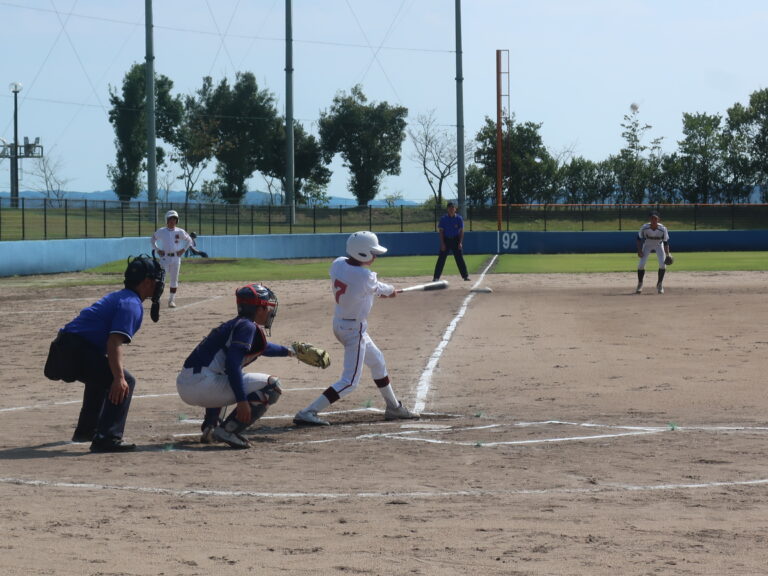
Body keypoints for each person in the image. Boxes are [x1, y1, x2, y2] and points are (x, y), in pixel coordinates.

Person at [293, 231, 419, 426]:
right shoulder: (365, 276)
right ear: (362, 253)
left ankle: (393, 407)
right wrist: (390, 291)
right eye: (372, 252)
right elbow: (376, 287)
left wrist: (381, 291)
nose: (375, 256)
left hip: (340, 323)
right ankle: (308, 411)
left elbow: (367, 288)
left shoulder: (338, 263)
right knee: (350, 381)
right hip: (353, 329)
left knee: (377, 362)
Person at [43, 255, 165, 452]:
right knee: (125, 382)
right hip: (73, 351)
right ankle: (107, 437)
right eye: (156, 281)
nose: (159, 285)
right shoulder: (131, 304)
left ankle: (86, 431)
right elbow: (114, 342)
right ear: (147, 282)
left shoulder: (122, 297)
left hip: (64, 350)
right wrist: (119, 378)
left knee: (102, 375)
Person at [176, 283, 294, 449]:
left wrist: (291, 351)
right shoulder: (246, 326)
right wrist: (242, 401)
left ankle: (211, 425)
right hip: (203, 386)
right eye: (267, 306)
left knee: (222, 375)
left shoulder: (236, 324)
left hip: (187, 384)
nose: (269, 311)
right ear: (259, 308)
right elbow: (233, 365)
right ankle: (228, 430)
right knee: (272, 385)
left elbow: (263, 348)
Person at [151, 209, 193, 308]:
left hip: (176, 258)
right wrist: (157, 249)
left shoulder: (180, 231)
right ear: (167, 220)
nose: (172, 221)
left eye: (174, 219)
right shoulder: (162, 231)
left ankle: (171, 300)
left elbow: (189, 240)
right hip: (165, 258)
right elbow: (152, 240)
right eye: (170, 219)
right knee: (161, 279)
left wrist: (183, 250)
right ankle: (157, 299)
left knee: (174, 280)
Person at [432, 202, 470, 282]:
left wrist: (460, 242)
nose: (451, 209)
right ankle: (436, 277)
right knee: (441, 259)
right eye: (449, 208)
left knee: (459, 258)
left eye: (453, 208)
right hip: (446, 240)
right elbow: (441, 232)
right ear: (447, 209)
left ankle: (465, 276)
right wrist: (442, 243)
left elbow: (461, 231)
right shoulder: (443, 219)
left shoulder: (459, 218)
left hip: (456, 240)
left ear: (455, 209)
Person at [636, 211, 671, 294]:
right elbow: (638, 239)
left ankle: (660, 284)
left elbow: (666, 242)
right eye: (652, 218)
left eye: (655, 218)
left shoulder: (663, 229)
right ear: (650, 219)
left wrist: (668, 254)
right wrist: (639, 250)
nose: (653, 220)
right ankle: (640, 284)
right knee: (641, 264)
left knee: (663, 264)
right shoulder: (645, 227)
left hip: (659, 245)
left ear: (658, 220)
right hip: (647, 244)